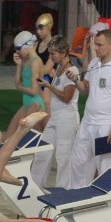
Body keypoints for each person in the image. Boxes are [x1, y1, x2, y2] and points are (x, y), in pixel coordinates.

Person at [67, 29, 111, 188]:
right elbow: (85, 90)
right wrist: (75, 80)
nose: (96, 48)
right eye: (95, 45)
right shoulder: (94, 64)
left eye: (100, 45)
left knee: (104, 168)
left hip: (105, 126)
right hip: (87, 123)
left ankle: (106, 206)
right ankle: (77, 201)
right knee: (78, 163)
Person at [37, 35, 80, 189]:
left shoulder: (72, 71)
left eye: (53, 53)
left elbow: (67, 97)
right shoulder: (58, 68)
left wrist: (49, 86)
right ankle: (36, 187)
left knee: (63, 157)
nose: (51, 56)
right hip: (55, 118)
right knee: (42, 152)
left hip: (67, 119)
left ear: (63, 52)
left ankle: (63, 190)